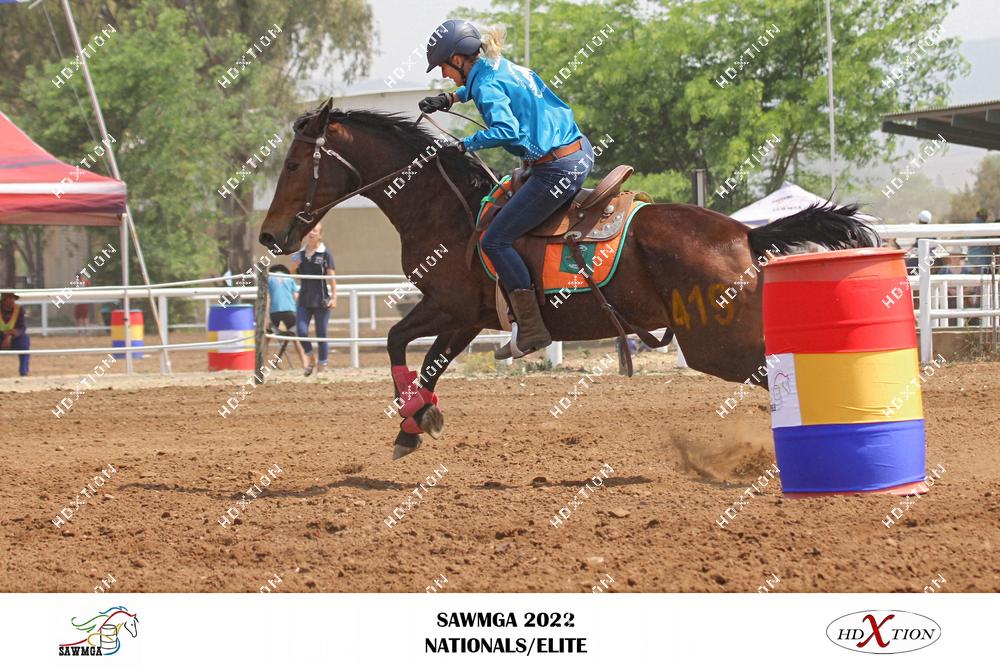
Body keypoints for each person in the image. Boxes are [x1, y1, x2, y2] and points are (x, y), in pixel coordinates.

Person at [419, 19, 594, 360]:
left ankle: (531, 328)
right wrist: (450, 98)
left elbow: (507, 130)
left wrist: (465, 144)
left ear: (458, 59)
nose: (443, 74)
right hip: (578, 150)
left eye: (443, 66)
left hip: (556, 169)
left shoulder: (485, 87)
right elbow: (484, 86)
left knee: (494, 239)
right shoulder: (496, 65)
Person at [291, 224, 336, 376]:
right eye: (309, 230)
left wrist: (334, 297)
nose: (311, 232)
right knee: (301, 331)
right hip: (304, 300)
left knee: (321, 334)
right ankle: (311, 359)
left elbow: (332, 278)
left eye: (314, 230)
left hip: (321, 301)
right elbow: (292, 274)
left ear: (319, 235)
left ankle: (321, 368)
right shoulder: (300, 254)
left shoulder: (325, 254)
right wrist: (294, 267)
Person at [266, 264, 310, 368]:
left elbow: (267, 298)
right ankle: (305, 364)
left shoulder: (269, 279)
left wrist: (267, 317)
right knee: (296, 339)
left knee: (267, 337)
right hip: (290, 312)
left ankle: (259, 363)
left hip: (275, 313)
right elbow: (296, 297)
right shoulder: (289, 279)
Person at [1, 291, 30, 376]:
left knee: (24, 340)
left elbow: (22, 327)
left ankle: (23, 371)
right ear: (3, 300)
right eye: (9, 298)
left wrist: (9, 335)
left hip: (14, 337)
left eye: (13, 298)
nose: (12, 300)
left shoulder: (19, 309)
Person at [965, 208, 995, 273]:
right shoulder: (984, 226)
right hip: (982, 258)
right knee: (982, 276)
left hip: (973, 256)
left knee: (975, 275)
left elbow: (966, 240)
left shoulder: (971, 225)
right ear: (983, 216)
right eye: (986, 216)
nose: (986, 217)